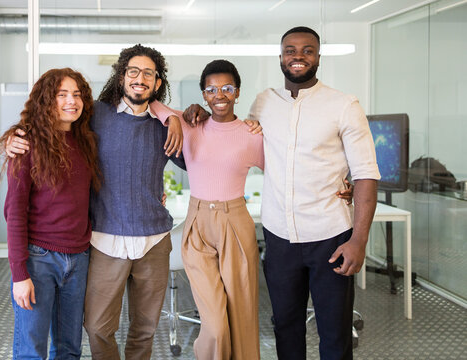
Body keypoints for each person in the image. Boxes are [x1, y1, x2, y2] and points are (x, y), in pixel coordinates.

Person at [5, 44, 202, 360]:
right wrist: (16, 135)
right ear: (121, 76)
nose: (140, 79)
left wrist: (188, 116)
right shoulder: (94, 116)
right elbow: (49, 124)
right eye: (133, 71)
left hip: (153, 241)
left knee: (144, 331)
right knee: (95, 327)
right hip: (102, 242)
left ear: (158, 83)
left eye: (149, 74)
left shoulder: (165, 124)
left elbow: (199, 162)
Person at [249, 27, 380, 360]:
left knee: (335, 332)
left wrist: (359, 240)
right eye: (291, 50)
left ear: (318, 57)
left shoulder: (344, 105)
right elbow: (234, 135)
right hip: (279, 236)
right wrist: (198, 115)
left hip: (331, 236)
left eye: (307, 50)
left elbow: (365, 174)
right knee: (285, 327)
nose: (298, 56)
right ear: (280, 56)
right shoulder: (264, 102)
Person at [154, 59, 264, 359]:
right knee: (215, 323)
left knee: (241, 315)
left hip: (236, 222)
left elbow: (283, 173)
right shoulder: (191, 126)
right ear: (203, 94)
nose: (220, 95)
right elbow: (152, 104)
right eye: (212, 89)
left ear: (237, 92)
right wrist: (174, 120)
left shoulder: (253, 135)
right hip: (198, 225)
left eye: (227, 88)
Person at [0, 68, 101, 359]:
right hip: (38, 259)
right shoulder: (27, 144)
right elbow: (14, 212)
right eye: (62, 94)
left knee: (69, 348)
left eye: (77, 95)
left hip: (78, 259)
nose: (72, 101)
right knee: (32, 350)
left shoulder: (85, 141)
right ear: (47, 100)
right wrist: (19, 274)